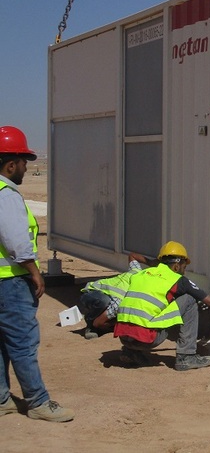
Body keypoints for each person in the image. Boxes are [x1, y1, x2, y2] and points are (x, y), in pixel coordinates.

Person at [0, 125, 75, 422]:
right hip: (11, 283)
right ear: (10, 164)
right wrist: (34, 271)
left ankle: (3, 399)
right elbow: (16, 241)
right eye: (23, 163)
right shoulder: (6, 194)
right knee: (22, 344)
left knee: (1, 343)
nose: (26, 169)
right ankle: (37, 402)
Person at [113, 241, 210, 371]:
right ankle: (186, 356)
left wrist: (154, 263)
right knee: (190, 299)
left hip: (124, 338)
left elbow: (133, 256)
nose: (184, 271)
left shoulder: (140, 274)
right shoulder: (178, 280)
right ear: (176, 266)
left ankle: (131, 352)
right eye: (184, 266)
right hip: (147, 339)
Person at [77, 252, 157, 339]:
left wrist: (150, 262)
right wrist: (113, 324)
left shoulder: (137, 272)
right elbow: (98, 323)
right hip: (91, 292)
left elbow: (132, 256)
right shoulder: (122, 299)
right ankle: (90, 324)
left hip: (103, 293)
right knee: (104, 303)